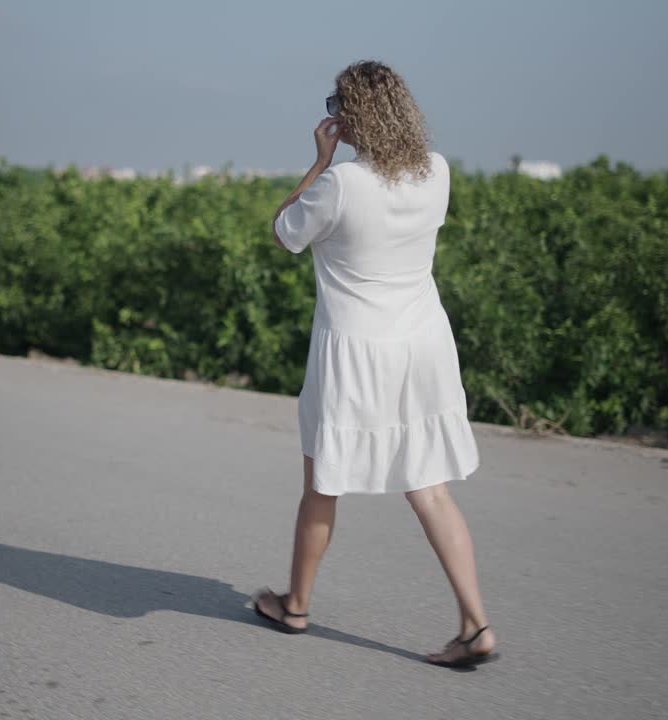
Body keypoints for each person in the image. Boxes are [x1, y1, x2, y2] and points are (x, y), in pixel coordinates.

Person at [251, 60, 498, 668]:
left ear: (351, 113)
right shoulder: (437, 172)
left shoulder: (341, 185)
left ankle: (297, 605)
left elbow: (283, 233)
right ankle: (475, 623)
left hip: (354, 350)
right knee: (429, 487)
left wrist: (319, 162)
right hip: (422, 345)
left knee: (323, 482)